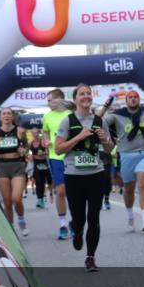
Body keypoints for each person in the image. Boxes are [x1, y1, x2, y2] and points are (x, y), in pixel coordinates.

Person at [55, 84, 113, 272]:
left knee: (94, 217)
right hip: (73, 176)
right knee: (79, 218)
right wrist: (78, 137)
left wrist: (105, 139)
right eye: (82, 94)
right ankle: (77, 230)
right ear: (75, 99)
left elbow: (109, 149)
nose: (86, 96)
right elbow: (58, 149)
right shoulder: (67, 121)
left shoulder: (99, 120)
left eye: (88, 93)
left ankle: (90, 257)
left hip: (96, 174)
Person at [103, 91, 144, 233]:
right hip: (126, 155)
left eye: (136, 97)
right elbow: (99, 122)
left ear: (139, 100)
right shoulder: (117, 114)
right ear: (126, 101)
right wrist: (105, 108)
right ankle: (130, 215)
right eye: (130, 98)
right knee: (129, 188)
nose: (133, 99)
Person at [0, 108, 29, 235]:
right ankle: (11, 230)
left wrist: (24, 151)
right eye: (3, 114)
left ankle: (21, 220)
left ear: (12, 117)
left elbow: (26, 147)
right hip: (2, 166)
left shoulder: (20, 131)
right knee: (7, 201)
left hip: (17, 165)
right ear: (0, 118)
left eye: (9, 113)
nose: (6, 116)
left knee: (16, 198)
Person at [42, 89, 73, 240]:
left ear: (60, 99)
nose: (48, 103)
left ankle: (74, 221)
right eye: (47, 100)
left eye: (50, 100)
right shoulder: (47, 116)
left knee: (73, 191)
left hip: (71, 155)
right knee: (61, 190)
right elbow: (45, 133)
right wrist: (46, 141)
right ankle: (62, 224)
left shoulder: (70, 114)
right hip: (56, 156)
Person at [29, 127, 50, 209]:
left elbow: (47, 152)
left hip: (44, 163)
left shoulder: (43, 142)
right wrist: (31, 156)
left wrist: (43, 153)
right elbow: (29, 154)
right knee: (38, 181)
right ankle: (39, 200)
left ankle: (44, 196)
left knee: (43, 181)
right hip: (36, 164)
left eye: (36, 133)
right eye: (33, 133)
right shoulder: (31, 143)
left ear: (39, 133)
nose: (35, 135)